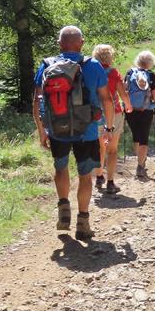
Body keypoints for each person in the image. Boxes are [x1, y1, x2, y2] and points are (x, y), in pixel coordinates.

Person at [33, 26, 115, 241]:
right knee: (85, 175)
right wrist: (108, 128)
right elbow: (107, 99)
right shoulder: (93, 65)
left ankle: (63, 209)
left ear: (60, 44)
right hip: (86, 130)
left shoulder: (47, 65)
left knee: (60, 168)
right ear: (82, 43)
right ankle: (83, 223)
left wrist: (42, 130)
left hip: (56, 129)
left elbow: (37, 101)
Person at [91, 44, 132, 195]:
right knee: (112, 150)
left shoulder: (90, 71)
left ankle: (99, 177)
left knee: (100, 147)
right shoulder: (113, 72)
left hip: (95, 114)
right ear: (109, 57)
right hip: (114, 113)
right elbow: (122, 94)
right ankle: (110, 182)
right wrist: (128, 106)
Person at [124, 50, 155, 179]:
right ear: (150, 62)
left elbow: (124, 91)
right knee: (144, 138)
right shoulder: (151, 75)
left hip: (130, 110)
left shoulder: (129, 73)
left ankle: (140, 163)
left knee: (136, 136)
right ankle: (140, 166)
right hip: (146, 110)